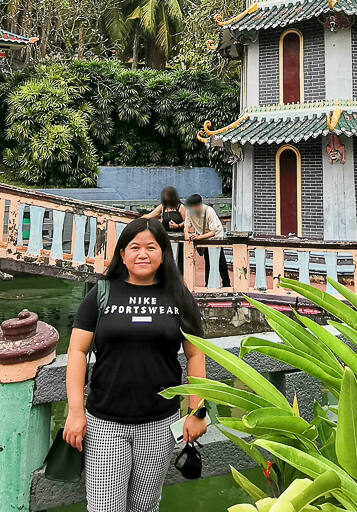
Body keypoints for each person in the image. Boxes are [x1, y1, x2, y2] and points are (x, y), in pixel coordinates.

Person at [63, 217, 207, 512]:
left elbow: (196, 355)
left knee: (145, 505)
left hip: (159, 422)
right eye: (134, 247)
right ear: (122, 255)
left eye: (151, 247)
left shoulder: (179, 297)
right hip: (105, 422)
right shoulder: (101, 293)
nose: (143, 254)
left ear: (164, 253)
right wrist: (76, 411)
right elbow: (77, 350)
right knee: (104, 507)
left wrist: (196, 411)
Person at [184, 194, 230, 288]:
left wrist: (198, 237)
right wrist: (186, 234)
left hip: (216, 235)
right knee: (208, 260)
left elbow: (213, 232)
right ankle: (208, 284)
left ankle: (226, 284)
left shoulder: (209, 211)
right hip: (202, 235)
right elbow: (187, 226)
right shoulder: (189, 212)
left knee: (219, 260)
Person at [142, 186, 186, 272]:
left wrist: (178, 225)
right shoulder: (162, 207)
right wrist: (141, 218)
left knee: (179, 260)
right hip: (166, 236)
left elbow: (187, 221)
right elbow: (150, 215)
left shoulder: (180, 207)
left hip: (179, 237)